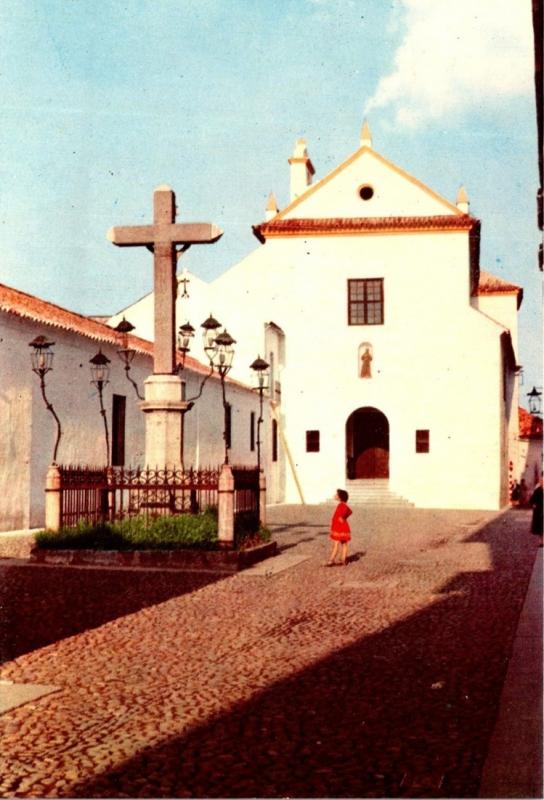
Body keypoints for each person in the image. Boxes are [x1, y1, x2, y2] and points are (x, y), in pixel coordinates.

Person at [326, 489, 352, 566]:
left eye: (336, 495)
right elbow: (348, 512)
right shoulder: (344, 505)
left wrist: (339, 520)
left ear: (340, 497)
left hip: (339, 527)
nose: (335, 496)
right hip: (343, 527)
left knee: (336, 544)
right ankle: (343, 559)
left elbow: (339, 516)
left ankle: (331, 560)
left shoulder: (341, 505)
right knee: (344, 543)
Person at [529, 477, 543, 546]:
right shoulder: (537, 490)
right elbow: (531, 500)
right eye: (542, 482)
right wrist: (533, 505)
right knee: (540, 528)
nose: (542, 483)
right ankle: (541, 542)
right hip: (539, 512)